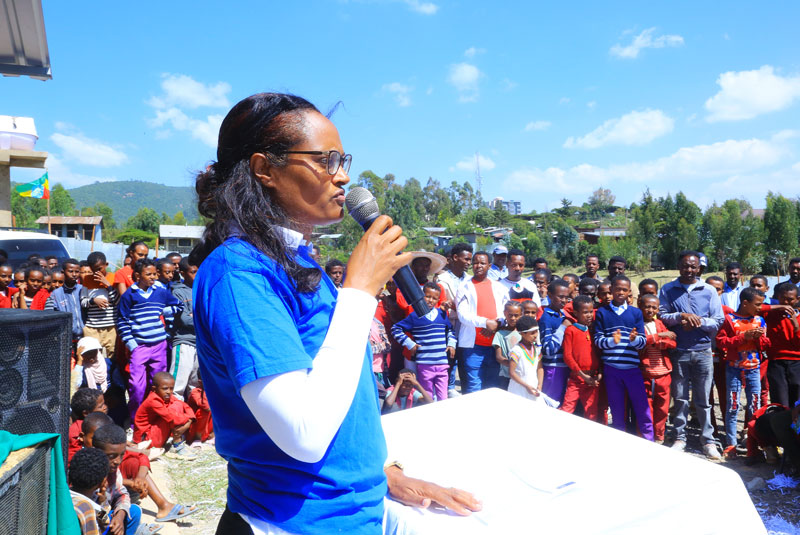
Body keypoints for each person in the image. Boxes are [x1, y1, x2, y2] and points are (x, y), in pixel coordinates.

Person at [190, 93, 479, 534]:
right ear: (264, 170)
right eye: (325, 160)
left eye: (342, 159)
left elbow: (334, 392)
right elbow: (303, 432)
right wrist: (360, 289)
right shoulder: (237, 273)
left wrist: (384, 478)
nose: (343, 177)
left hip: (356, 512)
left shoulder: (297, 261)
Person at [659, 251, 724, 459]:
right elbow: (662, 315)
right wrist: (680, 317)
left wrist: (697, 321)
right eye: (685, 266)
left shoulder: (709, 290)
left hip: (703, 351)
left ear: (699, 268)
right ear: (679, 265)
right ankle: (679, 437)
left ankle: (708, 440)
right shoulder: (668, 289)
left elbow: (718, 320)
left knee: (703, 399)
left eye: (693, 267)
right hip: (679, 351)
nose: (689, 270)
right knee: (679, 398)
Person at [117, 258, 183, 421]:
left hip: (159, 345)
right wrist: (131, 344)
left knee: (159, 385)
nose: (153, 277)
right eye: (149, 274)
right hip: (139, 347)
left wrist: (166, 312)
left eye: (154, 273)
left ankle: (157, 419)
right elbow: (122, 321)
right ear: (137, 276)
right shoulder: (129, 296)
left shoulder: (160, 292)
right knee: (137, 386)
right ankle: (136, 420)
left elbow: (179, 306)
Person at [594, 276, 652, 440]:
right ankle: (619, 444)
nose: (620, 292)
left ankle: (650, 440)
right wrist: (613, 341)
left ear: (629, 292)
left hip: (632, 370)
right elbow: (598, 341)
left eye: (624, 290)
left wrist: (634, 340)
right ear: (611, 290)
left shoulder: (635, 313)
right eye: (617, 289)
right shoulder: (602, 313)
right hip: (611, 370)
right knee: (617, 411)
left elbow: (642, 342)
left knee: (643, 409)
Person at [716, 287, 771, 455]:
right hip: (734, 369)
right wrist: (743, 337)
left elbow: (766, 345)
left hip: (754, 369)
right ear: (745, 303)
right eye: (758, 304)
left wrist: (759, 338)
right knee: (733, 406)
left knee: (755, 406)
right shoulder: (729, 319)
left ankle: (753, 445)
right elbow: (721, 342)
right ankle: (731, 443)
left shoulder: (760, 320)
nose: (760, 308)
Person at [391, 282, 456, 401]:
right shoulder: (414, 316)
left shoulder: (441, 314)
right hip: (425, 365)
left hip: (442, 364)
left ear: (438, 300)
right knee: (427, 395)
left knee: (443, 397)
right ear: (421, 296)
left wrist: (451, 344)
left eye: (434, 298)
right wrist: (410, 344)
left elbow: (450, 331)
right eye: (428, 296)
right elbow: (395, 329)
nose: (430, 300)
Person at [456, 251, 509, 392]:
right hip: (473, 346)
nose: (478, 266)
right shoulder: (464, 287)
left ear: (489, 266)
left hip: (495, 346)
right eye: (475, 263)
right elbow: (462, 315)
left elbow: (507, 312)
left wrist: (497, 324)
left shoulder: (499, 287)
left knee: (492, 386)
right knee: (474, 386)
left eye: (482, 263)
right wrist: (485, 322)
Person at [434, 243, 472, 397]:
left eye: (470, 260)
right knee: (449, 358)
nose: (469, 263)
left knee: (465, 359)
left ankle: (465, 390)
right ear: (455, 258)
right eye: (466, 259)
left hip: (466, 326)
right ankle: (447, 390)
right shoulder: (442, 280)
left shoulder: (470, 280)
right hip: (449, 325)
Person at [92, 425, 144, 535]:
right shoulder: (88, 474)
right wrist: (105, 512)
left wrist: (120, 515)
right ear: (96, 451)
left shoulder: (112, 470)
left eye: (121, 455)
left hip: (104, 515)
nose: (118, 461)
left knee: (134, 511)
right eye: (111, 456)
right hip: (92, 521)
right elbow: (89, 510)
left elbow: (122, 493)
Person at [639, 294, 676, 443]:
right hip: (645, 372)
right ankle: (646, 436)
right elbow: (639, 341)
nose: (650, 310)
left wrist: (659, 343)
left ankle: (659, 435)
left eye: (654, 307)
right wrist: (659, 336)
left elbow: (673, 342)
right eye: (647, 306)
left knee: (662, 407)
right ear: (640, 306)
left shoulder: (659, 323)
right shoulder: (637, 323)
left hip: (663, 372)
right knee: (646, 407)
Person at [133, 372, 196, 457]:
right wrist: (188, 422)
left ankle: (177, 442)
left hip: (153, 434)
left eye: (171, 388)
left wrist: (190, 420)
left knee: (177, 405)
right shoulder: (153, 400)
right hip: (146, 441)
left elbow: (184, 405)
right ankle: (177, 445)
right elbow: (173, 418)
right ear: (154, 389)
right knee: (173, 410)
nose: (169, 392)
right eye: (165, 388)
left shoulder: (164, 396)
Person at [561, 296, 601, 420]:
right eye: (585, 312)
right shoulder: (571, 331)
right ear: (576, 313)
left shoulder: (594, 331)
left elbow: (599, 354)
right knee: (567, 408)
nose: (589, 315)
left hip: (592, 379)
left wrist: (600, 373)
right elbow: (568, 356)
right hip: (577, 378)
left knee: (592, 412)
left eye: (591, 312)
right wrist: (582, 375)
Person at [765, 281, 800, 407]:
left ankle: (796, 427)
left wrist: (795, 325)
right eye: (782, 299)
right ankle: (781, 426)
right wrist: (776, 307)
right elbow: (757, 308)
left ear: (797, 299)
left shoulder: (798, 318)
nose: (786, 303)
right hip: (776, 362)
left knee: (797, 400)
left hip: (797, 362)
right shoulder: (771, 314)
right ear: (777, 298)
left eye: (790, 299)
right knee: (779, 401)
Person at [168, 257, 199, 400]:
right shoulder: (178, 292)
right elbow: (184, 319)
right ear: (182, 273)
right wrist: (202, 318)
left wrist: (195, 316)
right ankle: (174, 419)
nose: (197, 275)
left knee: (195, 385)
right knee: (177, 385)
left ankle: (192, 419)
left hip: (200, 343)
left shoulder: (202, 289)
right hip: (184, 342)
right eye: (193, 272)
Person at [81, 253, 119, 361]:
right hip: (92, 327)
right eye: (93, 270)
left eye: (99, 269)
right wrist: (93, 301)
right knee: (93, 357)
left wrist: (108, 286)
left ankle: (109, 377)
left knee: (111, 356)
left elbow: (118, 301)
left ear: (106, 265)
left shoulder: (113, 278)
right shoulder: (87, 280)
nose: (96, 273)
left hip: (110, 327)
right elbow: (83, 302)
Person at [539, 279, 571, 403]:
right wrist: (563, 327)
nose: (564, 300)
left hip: (564, 367)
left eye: (566, 297)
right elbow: (547, 350)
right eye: (560, 297)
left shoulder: (563, 315)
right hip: (553, 368)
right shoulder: (546, 318)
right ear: (550, 296)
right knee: (551, 403)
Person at [69, 447, 110, 535]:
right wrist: (103, 503)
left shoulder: (62, 494)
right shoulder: (88, 508)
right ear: (103, 482)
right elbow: (105, 521)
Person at [394, 252, 447, 317]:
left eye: (427, 265)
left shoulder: (438, 288)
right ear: (413, 267)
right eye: (420, 265)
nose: (424, 268)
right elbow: (403, 305)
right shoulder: (404, 287)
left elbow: (442, 308)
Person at [507, 315, 543, 401]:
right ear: (522, 334)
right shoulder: (516, 350)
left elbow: (540, 368)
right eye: (532, 333)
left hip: (533, 387)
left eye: (536, 331)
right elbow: (512, 373)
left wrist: (539, 385)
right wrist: (526, 386)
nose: (535, 335)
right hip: (518, 389)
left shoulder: (537, 348)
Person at [69, 388, 108, 464]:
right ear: (86, 413)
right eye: (100, 406)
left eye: (104, 403)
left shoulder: (100, 421)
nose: (105, 407)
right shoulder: (76, 430)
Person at [493, 301, 524, 391]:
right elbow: (499, 357)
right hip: (506, 376)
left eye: (516, 315)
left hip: (523, 375)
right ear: (505, 314)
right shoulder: (500, 334)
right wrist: (513, 365)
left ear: (521, 315)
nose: (513, 318)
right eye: (510, 315)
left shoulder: (525, 333)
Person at [187, 375, 214, 445]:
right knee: (203, 412)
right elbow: (206, 407)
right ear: (200, 382)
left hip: (208, 426)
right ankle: (197, 439)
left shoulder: (214, 390)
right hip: (195, 428)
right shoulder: (195, 392)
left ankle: (213, 434)